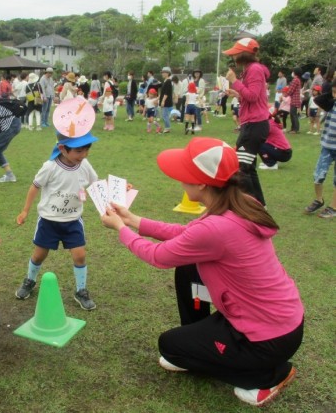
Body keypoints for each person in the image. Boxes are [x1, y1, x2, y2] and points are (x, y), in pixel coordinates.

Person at [100, 137, 304, 407]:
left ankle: (270, 375)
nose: (180, 181)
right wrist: (133, 220)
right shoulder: (237, 201)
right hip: (279, 321)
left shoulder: (217, 226)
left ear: (201, 184)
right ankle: (202, 339)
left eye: (184, 175)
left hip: (265, 339)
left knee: (170, 348)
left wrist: (121, 230)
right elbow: (185, 235)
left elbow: (158, 256)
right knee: (188, 266)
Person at [15, 131, 100, 310]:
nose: (83, 155)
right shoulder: (50, 167)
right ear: (62, 148)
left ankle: (81, 291)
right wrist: (25, 211)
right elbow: (34, 187)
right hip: (49, 221)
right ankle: (29, 280)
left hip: (73, 221)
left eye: (86, 150)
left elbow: (96, 184)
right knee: (39, 255)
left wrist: (121, 188)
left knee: (80, 255)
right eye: (79, 151)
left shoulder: (84, 165)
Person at [224, 37, 270, 207]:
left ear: (243, 55)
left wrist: (235, 81)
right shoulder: (251, 69)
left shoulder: (255, 69)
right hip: (252, 124)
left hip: (254, 125)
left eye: (235, 54)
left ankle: (251, 208)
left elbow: (253, 96)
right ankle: (259, 206)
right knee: (248, 167)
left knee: (242, 167)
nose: (233, 58)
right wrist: (237, 93)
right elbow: (251, 96)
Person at [303, 79, 336, 219]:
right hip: (327, 146)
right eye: (334, 91)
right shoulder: (331, 104)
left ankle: (333, 207)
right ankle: (319, 200)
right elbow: (318, 99)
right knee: (318, 175)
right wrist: (331, 91)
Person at [283, 68, 302, 134]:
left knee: (293, 115)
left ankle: (295, 129)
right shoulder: (297, 80)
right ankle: (293, 128)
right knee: (292, 114)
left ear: (295, 73)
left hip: (294, 100)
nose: (292, 73)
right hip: (295, 100)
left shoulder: (295, 80)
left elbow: (291, 90)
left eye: (293, 72)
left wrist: (285, 95)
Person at [159, 67, 174, 133]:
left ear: (168, 73)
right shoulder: (165, 81)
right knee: (164, 115)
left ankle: (167, 128)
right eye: (162, 72)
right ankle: (167, 127)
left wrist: (163, 101)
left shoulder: (168, 81)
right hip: (165, 100)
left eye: (164, 72)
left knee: (165, 115)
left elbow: (166, 93)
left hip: (167, 101)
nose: (162, 74)